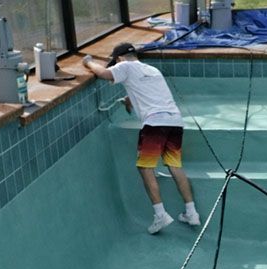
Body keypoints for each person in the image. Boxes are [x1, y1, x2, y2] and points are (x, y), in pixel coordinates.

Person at [82, 43, 200, 235]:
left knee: (145, 167)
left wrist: (88, 62)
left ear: (119, 58)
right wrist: (129, 101)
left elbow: (103, 74)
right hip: (175, 121)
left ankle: (160, 214)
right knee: (175, 166)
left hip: (155, 123)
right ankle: (191, 212)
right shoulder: (152, 70)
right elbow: (148, 92)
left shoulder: (125, 66)